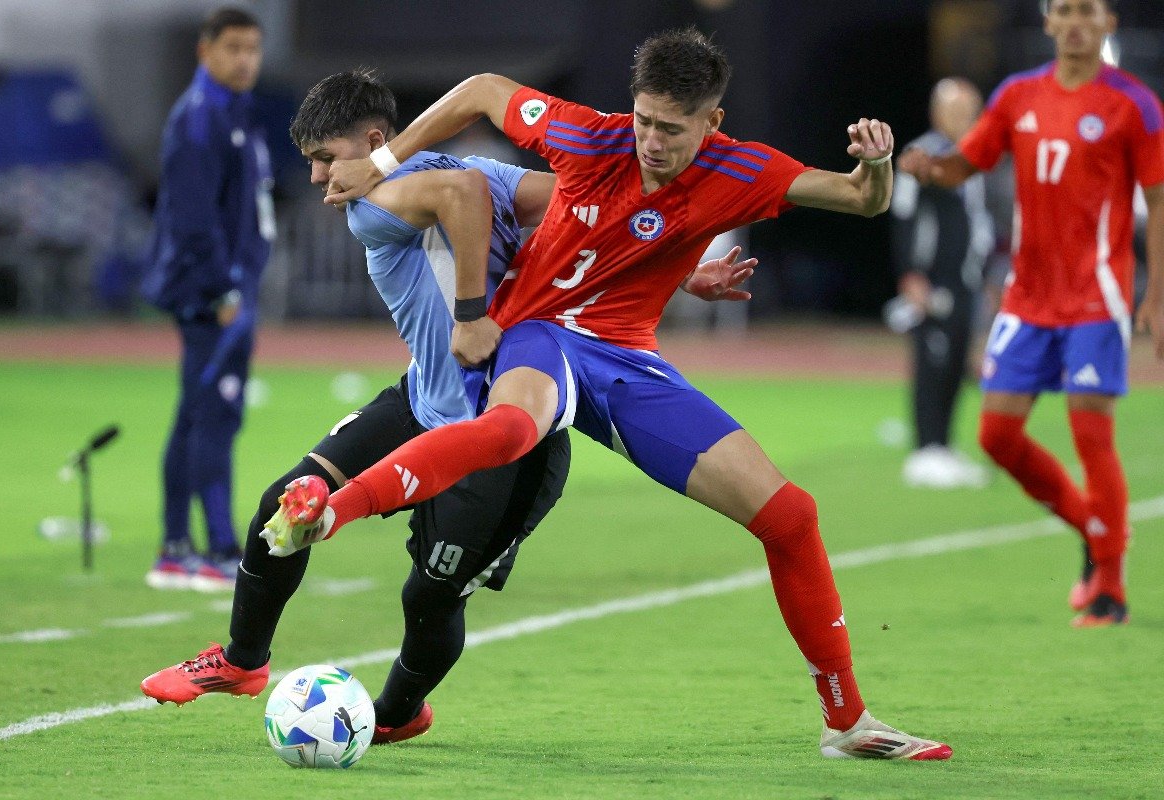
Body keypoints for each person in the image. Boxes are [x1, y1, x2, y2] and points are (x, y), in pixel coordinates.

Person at [271, 29, 953, 760]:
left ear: (711, 123)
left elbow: (860, 198)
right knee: (508, 431)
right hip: (540, 334)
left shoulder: (742, 171)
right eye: (644, 119)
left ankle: (848, 722)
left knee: (790, 516)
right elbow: (477, 89)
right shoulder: (592, 138)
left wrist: (877, 166)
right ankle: (328, 511)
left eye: (671, 127)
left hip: (626, 358)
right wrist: (382, 160)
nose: (651, 140)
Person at [140, 68, 751, 743]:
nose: (317, 178)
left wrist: (469, 315)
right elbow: (589, 216)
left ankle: (398, 714)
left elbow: (470, 197)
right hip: (423, 401)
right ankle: (241, 660)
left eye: (325, 158)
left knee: (428, 597)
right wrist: (684, 272)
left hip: (509, 439)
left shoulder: (385, 197)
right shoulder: (468, 171)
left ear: (375, 142)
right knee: (284, 501)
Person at [900, 0, 1164, 626]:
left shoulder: (1135, 104)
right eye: (1063, 10)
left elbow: (1158, 199)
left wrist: (1157, 294)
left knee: (1090, 434)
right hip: (1027, 296)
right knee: (996, 435)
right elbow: (966, 163)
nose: (1074, 21)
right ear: (1047, 23)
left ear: (1109, 24)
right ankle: (1098, 534)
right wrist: (924, 168)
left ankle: (1111, 589)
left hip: (1096, 296)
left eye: (1087, 11)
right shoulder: (1017, 95)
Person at [140, 7, 274, 591]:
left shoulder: (233, 112)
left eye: (253, 48)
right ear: (206, 50)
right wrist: (223, 288)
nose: (245, 59)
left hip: (227, 289)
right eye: (234, 47)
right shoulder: (200, 117)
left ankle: (178, 545)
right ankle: (215, 547)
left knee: (201, 412)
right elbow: (193, 216)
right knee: (212, 413)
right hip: (210, 293)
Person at [890, 78, 993, 489]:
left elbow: (977, 223)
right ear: (937, 113)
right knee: (932, 359)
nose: (965, 119)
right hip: (933, 279)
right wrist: (910, 273)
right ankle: (925, 449)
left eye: (971, 111)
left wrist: (983, 276)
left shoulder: (972, 158)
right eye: (956, 111)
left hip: (966, 279)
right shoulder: (922, 155)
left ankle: (944, 446)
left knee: (957, 363)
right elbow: (904, 215)